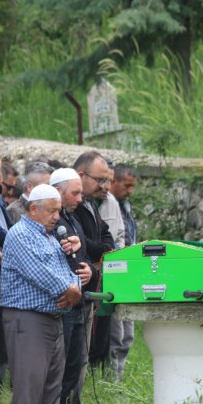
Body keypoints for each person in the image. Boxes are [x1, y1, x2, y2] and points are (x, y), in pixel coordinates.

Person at [0, 184, 82, 404]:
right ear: (33, 209)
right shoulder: (20, 234)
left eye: (58, 211)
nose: (57, 216)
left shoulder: (50, 236)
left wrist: (74, 290)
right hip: (27, 318)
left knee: (52, 379)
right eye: (52, 211)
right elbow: (40, 274)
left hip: (52, 317)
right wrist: (69, 291)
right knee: (30, 379)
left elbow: (69, 272)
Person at [49, 168, 96, 404]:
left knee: (76, 361)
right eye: (75, 193)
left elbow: (84, 257)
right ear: (58, 191)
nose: (80, 199)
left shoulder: (73, 217)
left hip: (79, 299)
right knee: (62, 362)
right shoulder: (52, 222)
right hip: (63, 301)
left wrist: (91, 272)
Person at [72, 151, 115, 379]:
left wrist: (97, 247)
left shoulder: (90, 204)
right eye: (100, 180)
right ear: (81, 175)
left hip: (94, 280)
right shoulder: (71, 206)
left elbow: (108, 240)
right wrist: (96, 248)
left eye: (106, 180)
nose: (104, 186)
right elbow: (79, 241)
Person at [107, 164, 139, 382]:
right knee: (116, 334)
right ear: (114, 182)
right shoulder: (108, 205)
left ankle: (120, 379)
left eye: (133, 186)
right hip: (115, 274)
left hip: (130, 276)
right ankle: (111, 381)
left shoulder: (125, 207)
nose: (130, 191)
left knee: (128, 333)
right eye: (126, 185)